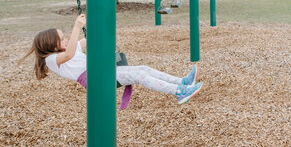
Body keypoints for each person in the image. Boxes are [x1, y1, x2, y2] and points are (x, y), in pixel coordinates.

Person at [19, 14, 203, 105]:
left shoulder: (70, 48)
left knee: (143, 69)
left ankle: (182, 82)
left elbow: (89, 40)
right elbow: (68, 53)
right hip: (95, 79)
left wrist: (102, 25)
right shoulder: (52, 60)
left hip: (101, 72)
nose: (66, 39)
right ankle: (179, 92)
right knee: (140, 75)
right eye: (62, 38)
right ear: (51, 44)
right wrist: (76, 26)